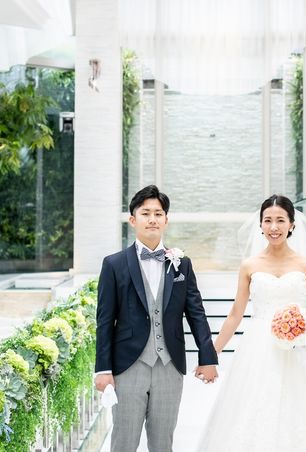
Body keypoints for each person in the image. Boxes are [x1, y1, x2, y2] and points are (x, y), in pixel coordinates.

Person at [196, 194, 306, 452]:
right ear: (260, 225)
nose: (274, 227)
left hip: (299, 346)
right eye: (268, 220)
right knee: (255, 409)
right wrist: (211, 355)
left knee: (303, 409)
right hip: (258, 348)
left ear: (292, 224)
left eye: (280, 220)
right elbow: (235, 314)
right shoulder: (249, 265)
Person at [95, 185, 218, 452]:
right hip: (128, 366)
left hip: (169, 365)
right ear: (133, 220)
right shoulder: (114, 264)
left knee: (163, 443)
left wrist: (207, 357)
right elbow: (104, 321)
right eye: (145, 213)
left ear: (166, 220)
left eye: (158, 213)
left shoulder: (181, 263)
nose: (152, 219)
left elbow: (196, 312)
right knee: (124, 442)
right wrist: (103, 369)